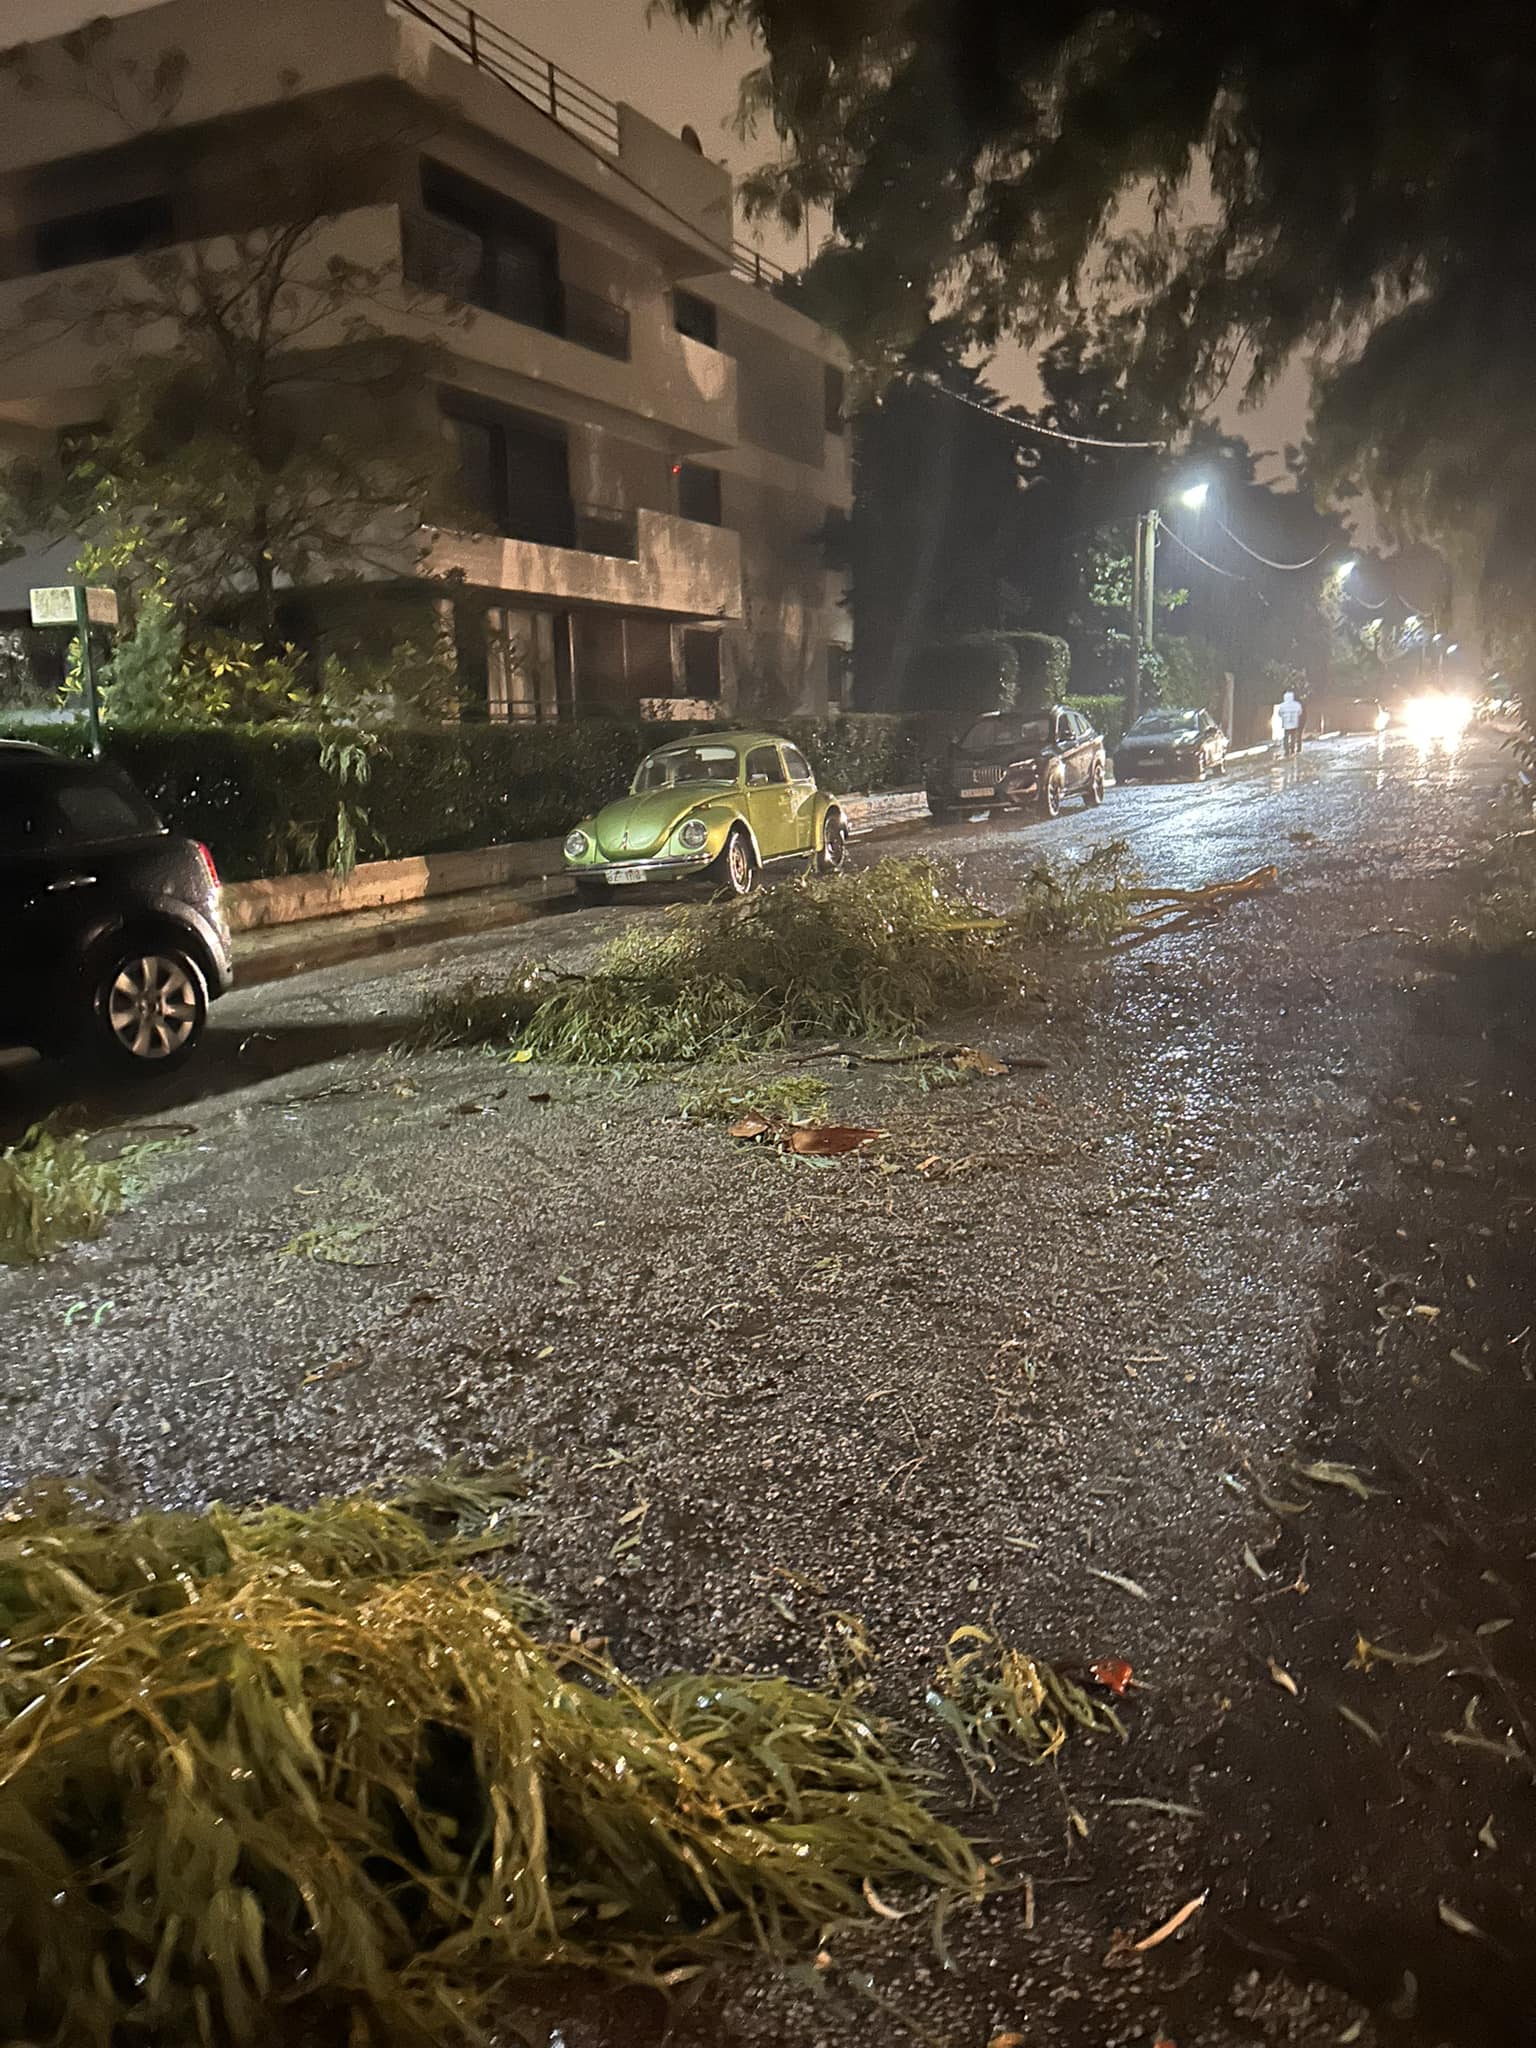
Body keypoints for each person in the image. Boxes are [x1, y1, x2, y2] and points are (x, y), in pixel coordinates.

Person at [1278, 689, 1305, 758]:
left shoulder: (1282, 705)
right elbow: (1300, 712)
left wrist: (1284, 717)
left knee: (1286, 737)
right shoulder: (1297, 704)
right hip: (1294, 723)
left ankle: (1287, 750)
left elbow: (1280, 713)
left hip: (1286, 724)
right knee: (1293, 736)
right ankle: (1292, 749)